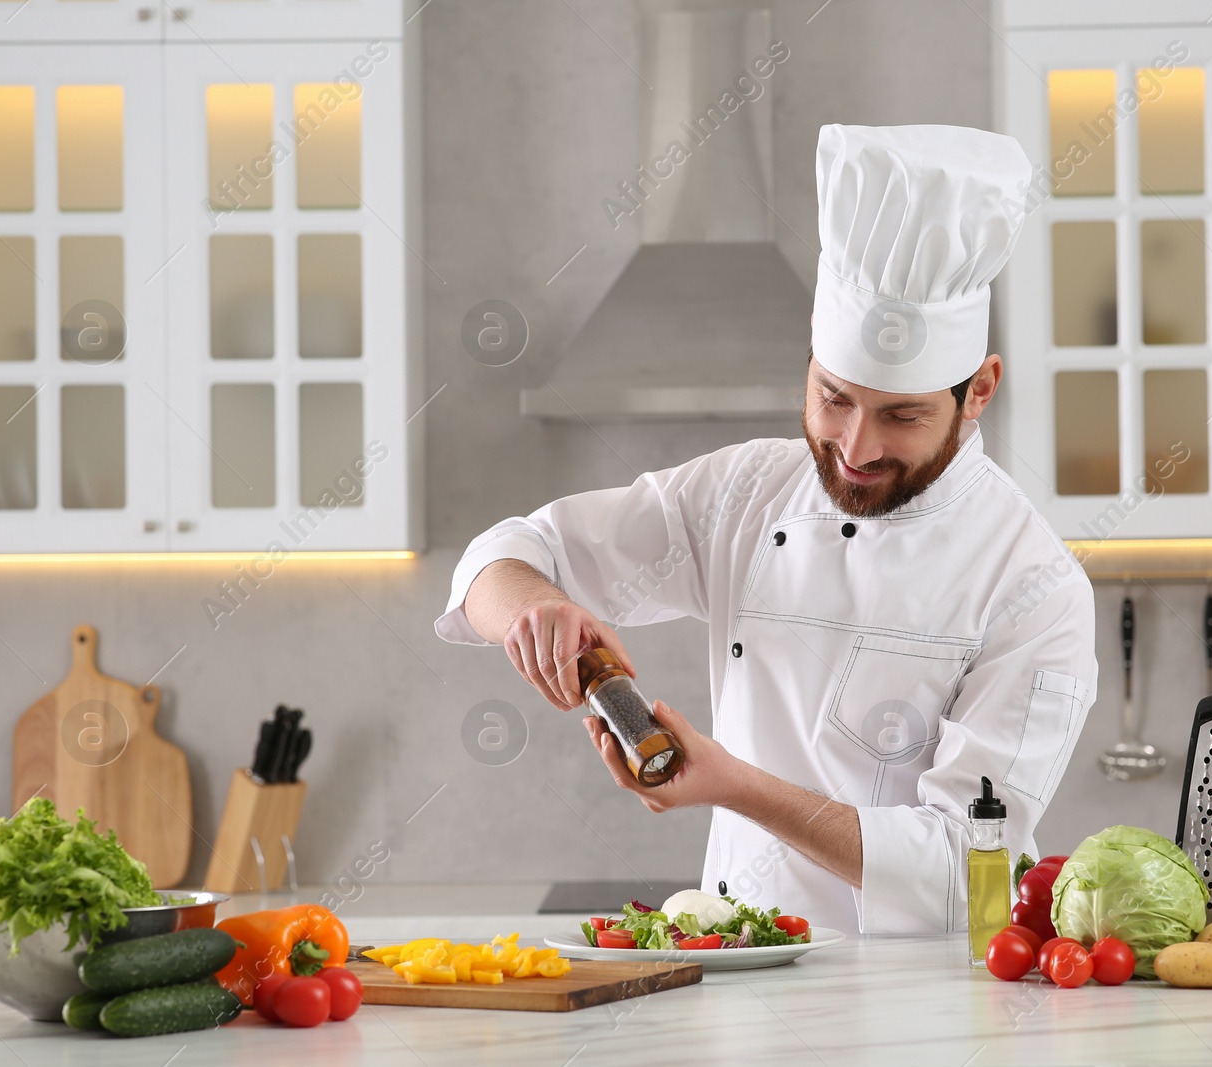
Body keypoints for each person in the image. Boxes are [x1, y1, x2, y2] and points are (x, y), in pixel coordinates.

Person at [436, 124, 1098, 935]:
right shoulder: (750, 489)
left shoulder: (1034, 587)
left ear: (981, 390)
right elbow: (498, 557)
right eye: (833, 398)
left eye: (902, 416)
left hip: (918, 1014)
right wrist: (534, 612)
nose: (855, 448)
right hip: (738, 986)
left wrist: (731, 784)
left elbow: (971, 874)